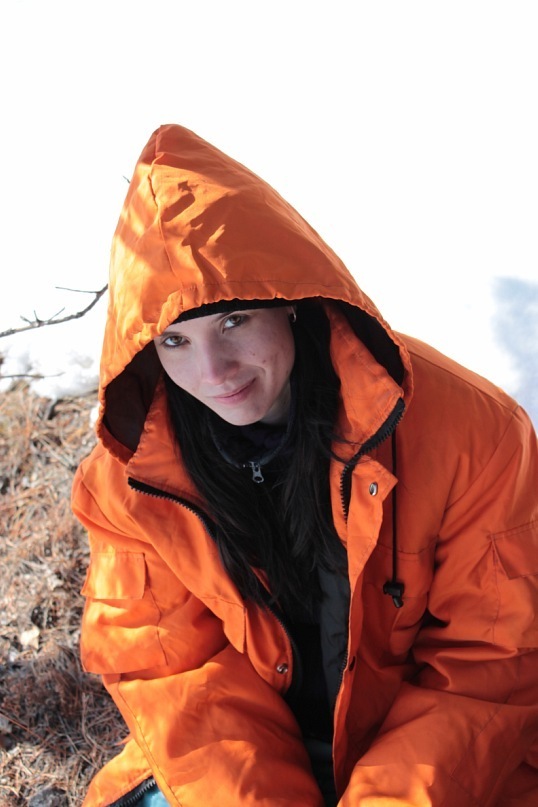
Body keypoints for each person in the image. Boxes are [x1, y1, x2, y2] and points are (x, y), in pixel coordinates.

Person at [72, 123, 538, 807]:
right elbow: (176, 674)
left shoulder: (473, 432)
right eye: (175, 341)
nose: (214, 372)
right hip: (248, 770)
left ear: (288, 299)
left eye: (234, 321)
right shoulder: (131, 479)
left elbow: (489, 663)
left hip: (436, 769)